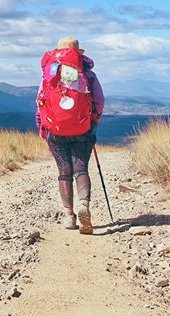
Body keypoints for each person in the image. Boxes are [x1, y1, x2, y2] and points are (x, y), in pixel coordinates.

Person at [35, 36, 104, 234]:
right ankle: (85, 205)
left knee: (64, 173)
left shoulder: (49, 73)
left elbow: (40, 102)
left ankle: (69, 216)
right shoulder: (87, 74)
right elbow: (99, 100)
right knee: (80, 169)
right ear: (78, 52)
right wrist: (93, 120)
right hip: (83, 129)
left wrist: (42, 127)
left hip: (55, 130)